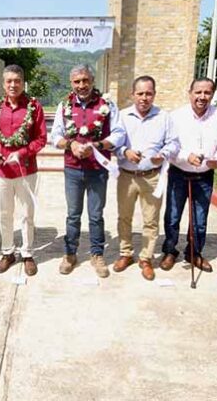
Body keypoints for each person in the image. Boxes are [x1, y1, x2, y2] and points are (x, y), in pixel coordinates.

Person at [50, 64, 125, 278]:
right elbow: (55, 136)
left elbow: (119, 134)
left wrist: (98, 145)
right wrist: (70, 144)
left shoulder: (107, 105)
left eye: (85, 80)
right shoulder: (64, 105)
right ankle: (70, 254)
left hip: (98, 170)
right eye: (77, 81)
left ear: (92, 81)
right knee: (73, 215)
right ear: (71, 83)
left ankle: (97, 254)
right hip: (73, 170)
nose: (81, 85)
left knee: (96, 215)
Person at [160, 78, 217, 273]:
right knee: (172, 216)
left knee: (199, 220)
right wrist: (186, 156)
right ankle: (169, 251)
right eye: (198, 92)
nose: (202, 97)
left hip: (204, 176)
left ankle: (194, 253)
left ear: (212, 94)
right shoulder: (176, 116)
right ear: (190, 93)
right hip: (179, 174)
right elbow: (169, 144)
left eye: (207, 93)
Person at [113, 75, 179, 281]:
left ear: (154, 94)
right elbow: (113, 144)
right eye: (140, 93)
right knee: (124, 217)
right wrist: (124, 151)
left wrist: (163, 154)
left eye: (148, 93)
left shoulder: (164, 117)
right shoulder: (122, 116)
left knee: (151, 220)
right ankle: (126, 253)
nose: (144, 98)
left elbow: (174, 143)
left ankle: (146, 258)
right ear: (132, 94)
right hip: (127, 177)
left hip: (152, 177)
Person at [0, 64, 47, 276]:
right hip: (2, 172)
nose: (13, 85)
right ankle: (8, 252)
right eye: (9, 81)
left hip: (26, 171)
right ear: (3, 84)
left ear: (23, 83)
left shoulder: (34, 107)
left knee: (27, 214)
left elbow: (41, 139)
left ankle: (27, 253)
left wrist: (22, 153)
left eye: (17, 81)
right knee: (5, 214)